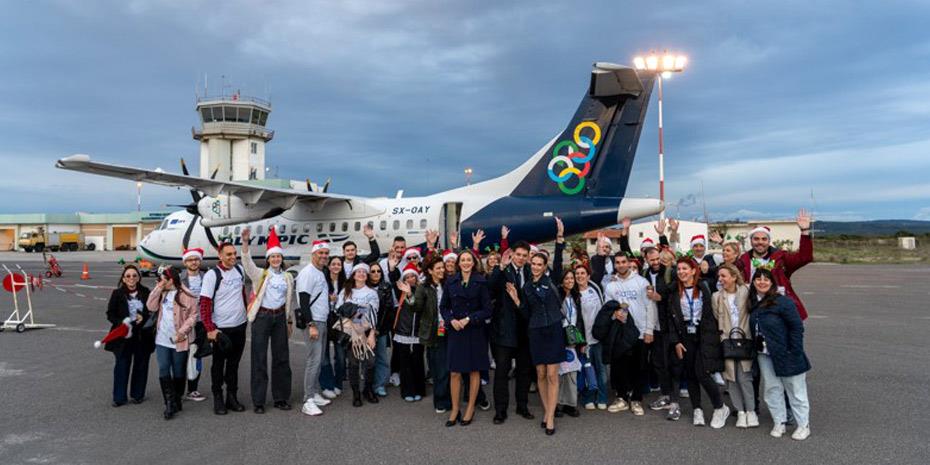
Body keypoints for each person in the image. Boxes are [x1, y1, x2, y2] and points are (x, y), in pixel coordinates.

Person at [665, 257, 729, 428]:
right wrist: (676, 341)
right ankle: (697, 409)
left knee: (702, 373)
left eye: (685, 268)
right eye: (679, 269)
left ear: (693, 271)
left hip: (703, 335)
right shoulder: (673, 291)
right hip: (685, 336)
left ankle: (720, 407)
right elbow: (670, 319)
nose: (681, 272)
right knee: (690, 374)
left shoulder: (704, 287)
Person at [749, 268, 812, 440]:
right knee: (772, 389)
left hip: (787, 353)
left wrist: (795, 350)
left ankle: (803, 425)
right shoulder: (753, 302)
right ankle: (779, 421)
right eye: (758, 279)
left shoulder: (783, 302)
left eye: (766, 279)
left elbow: (797, 327)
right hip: (764, 354)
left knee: (795, 389)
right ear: (753, 282)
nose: (762, 282)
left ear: (772, 283)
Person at [507, 252, 565, 436]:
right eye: (533, 264)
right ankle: (547, 410)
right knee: (540, 373)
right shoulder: (527, 287)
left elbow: (558, 263)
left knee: (552, 375)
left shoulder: (552, 280)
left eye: (540, 264)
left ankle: (550, 417)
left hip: (554, 330)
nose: (536, 267)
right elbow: (526, 313)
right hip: (536, 332)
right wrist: (516, 299)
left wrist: (559, 242)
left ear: (545, 266)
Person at [241, 227, 294, 414]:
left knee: (281, 358)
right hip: (262, 317)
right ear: (268, 259)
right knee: (259, 359)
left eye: (278, 256)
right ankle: (259, 401)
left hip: (279, 318)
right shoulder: (261, 274)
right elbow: (247, 263)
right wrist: (245, 243)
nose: (276, 259)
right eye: (273, 257)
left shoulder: (288, 277)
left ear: (281, 258)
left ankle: (281, 398)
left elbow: (289, 301)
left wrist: (289, 321)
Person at [439, 249, 493, 426]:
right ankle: (455, 409)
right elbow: (443, 307)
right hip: (456, 331)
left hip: (474, 330)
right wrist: (451, 320)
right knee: (455, 372)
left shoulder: (481, 281)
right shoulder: (450, 281)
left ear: (474, 262)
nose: (466, 263)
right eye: (463, 260)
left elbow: (487, 309)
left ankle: (470, 407)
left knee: (474, 370)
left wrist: (469, 319)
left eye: (469, 260)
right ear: (458, 263)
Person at [602, 253, 657, 417]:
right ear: (615, 265)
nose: (621, 265)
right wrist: (614, 315)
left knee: (639, 367)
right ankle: (622, 398)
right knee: (620, 367)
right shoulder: (611, 286)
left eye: (623, 262)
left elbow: (650, 306)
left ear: (628, 263)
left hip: (639, 331)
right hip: (620, 333)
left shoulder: (641, 282)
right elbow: (607, 308)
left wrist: (649, 330)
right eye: (617, 262)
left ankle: (636, 399)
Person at [487, 240, 535, 424]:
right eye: (518, 254)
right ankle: (500, 410)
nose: (521, 258)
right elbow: (490, 289)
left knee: (524, 371)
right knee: (502, 372)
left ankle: (522, 406)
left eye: (524, 255)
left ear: (528, 257)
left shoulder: (531, 271)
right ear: (512, 254)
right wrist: (500, 266)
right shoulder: (502, 270)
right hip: (503, 330)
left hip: (525, 331)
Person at [199, 242, 249, 415]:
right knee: (218, 365)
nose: (233, 257)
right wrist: (210, 329)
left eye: (234, 253)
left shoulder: (240, 270)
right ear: (220, 256)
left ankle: (232, 397)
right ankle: (218, 398)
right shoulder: (212, 275)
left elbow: (242, 294)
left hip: (240, 325)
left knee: (234, 365)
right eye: (228, 254)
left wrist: (246, 315)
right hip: (221, 329)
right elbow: (204, 304)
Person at [738, 209, 814, 321]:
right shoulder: (743, 260)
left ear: (769, 241)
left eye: (764, 239)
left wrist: (804, 231)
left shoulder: (781, 257)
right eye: (756, 239)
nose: (760, 242)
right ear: (751, 241)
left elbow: (805, 257)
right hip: (752, 308)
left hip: (779, 309)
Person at [146, 265, 197, 420]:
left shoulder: (186, 294)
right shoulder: (162, 292)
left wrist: (182, 332)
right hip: (162, 339)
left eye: (164, 280)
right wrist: (158, 288)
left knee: (179, 371)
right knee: (163, 369)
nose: (161, 282)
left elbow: (193, 316)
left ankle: (177, 398)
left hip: (179, 340)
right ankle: (169, 402)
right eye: (160, 280)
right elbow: (150, 306)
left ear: (172, 280)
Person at [712, 263, 758, 428]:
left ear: (733, 277)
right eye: (719, 276)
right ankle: (740, 412)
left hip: (745, 340)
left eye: (723, 276)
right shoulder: (717, 296)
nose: (720, 279)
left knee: (745, 378)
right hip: (727, 343)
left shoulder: (746, 291)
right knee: (731, 379)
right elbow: (717, 317)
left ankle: (751, 411)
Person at [105, 265, 153, 407]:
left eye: (134, 275)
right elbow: (110, 314)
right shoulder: (117, 293)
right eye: (128, 276)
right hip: (123, 335)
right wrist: (122, 323)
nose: (131, 278)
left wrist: (143, 317)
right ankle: (119, 397)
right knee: (122, 365)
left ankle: (137, 394)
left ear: (138, 278)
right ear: (123, 279)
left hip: (142, 334)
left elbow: (152, 311)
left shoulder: (146, 292)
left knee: (141, 364)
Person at [639, 247, 679, 415]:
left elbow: (676, 287)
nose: (656, 262)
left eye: (657, 259)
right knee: (658, 363)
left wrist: (660, 296)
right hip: (652, 325)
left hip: (668, 325)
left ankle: (674, 400)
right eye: (652, 260)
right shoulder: (644, 275)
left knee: (671, 363)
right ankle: (665, 395)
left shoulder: (670, 272)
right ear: (646, 260)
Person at [296, 240, 333, 416]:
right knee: (314, 360)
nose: (324, 256)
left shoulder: (320, 272)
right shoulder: (308, 273)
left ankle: (314, 392)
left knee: (318, 360)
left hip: (322, 321)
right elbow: (303, 301)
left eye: (326, 253)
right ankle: (308, 400)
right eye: (320, 253)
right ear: (313, 254)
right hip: (314, 322)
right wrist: (310, 325)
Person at [336, 263, 379, 407]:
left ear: (367, 276)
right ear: (353, 275)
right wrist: (358, 315)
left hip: (367, 331)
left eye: (364, 272)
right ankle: (356, 393)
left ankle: (368, 389)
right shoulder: (345, 292)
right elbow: (339, 310)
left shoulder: (372, 293)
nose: (361, 274)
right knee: (353, 363)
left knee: (370, 362)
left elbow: (374, 314)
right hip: (350, 332)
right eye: (358, 272)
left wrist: (372, 334)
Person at [412, 256, 451, 413]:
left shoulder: (448, 284)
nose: (442, 270)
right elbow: (417, 308)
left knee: (449, 366)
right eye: (438, 268)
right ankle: (441, 401)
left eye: (443, 267)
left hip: (450, 328)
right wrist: (409, 297)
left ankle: (449, 397)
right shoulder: (423, 287)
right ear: (430, 271)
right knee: (439, 368)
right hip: (434, 331)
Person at [574, 264, 608, 411]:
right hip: (584, 340)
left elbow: (603, 311)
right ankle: (588, 398)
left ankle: (602, 397)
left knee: (601, 370)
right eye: (577, 274)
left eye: (583, 273)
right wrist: (580, 341)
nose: (580, 276)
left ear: (588, 276)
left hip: (598, 338)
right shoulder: (574, 294)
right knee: (587, 369)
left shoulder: (595, 289)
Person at [393, 263, 426, 402]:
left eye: (413, 276)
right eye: (407, 277)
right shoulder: (399, 291)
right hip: (403, 332)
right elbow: (392, 277)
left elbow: (417, 307)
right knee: (405, 363)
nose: (410, 279)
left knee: (418, 362)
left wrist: (410, 293)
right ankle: (407, 391)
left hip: (418, 332)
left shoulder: (422, 291)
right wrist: (392, 267)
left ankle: (419, 389)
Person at [179, 248, 207, 403]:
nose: (193, 262)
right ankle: (178, 390)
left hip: (201, 323)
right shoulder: (179, 279)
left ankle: (193, 389)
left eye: (196, 259)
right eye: (190, 260)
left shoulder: (207, 277)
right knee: (181, 356)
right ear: (185, 262)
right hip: (185, 323)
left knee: (197, 356)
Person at [556, 269, 584, 418]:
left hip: (573, 340)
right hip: (559, 338)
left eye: (572, 278)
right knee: (559, 373)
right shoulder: (557, 296)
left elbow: (580, 319)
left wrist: (582, 341)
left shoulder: (576, 296)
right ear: (561, 281)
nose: (570, 281)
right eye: (566, 278)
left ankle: (570, 404)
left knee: (572, 372)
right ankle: (556, 404)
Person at [321, 255, 348, 399]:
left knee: (341, 356)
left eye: (339, 264)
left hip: (340, 322)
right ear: (329, 266)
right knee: (324, 356)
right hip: (325, 319)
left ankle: (338, 383)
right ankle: (327, 385)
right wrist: (327, 298)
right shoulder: (322, 280)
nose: (336, 266)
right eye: (334, 264)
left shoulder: (346, 283)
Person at [368, 262, 395, 397]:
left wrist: (378, 328)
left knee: (382, 357)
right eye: (373, 271)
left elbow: (388, 309)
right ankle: (368, 384)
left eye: (378, 271)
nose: (376, 274)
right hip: (365, 329)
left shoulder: (386, 286)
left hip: (381, 328)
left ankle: (380, 385)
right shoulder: (363, 286)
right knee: (367, 358)